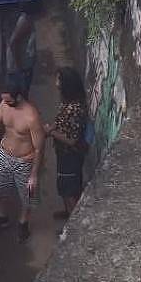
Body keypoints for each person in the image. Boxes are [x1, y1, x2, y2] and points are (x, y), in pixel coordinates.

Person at [0, 82, 46, 243]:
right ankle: (1, 216)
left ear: (18, 97)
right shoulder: (5, 104)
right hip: (4, 154)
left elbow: (39, 148)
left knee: (28, 195)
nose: (6, 103)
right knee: (1, 189)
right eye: (4, 100)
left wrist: (34, 174)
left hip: (24, 160)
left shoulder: (31, 116)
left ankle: (23, 222)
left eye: (9, 100)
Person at [45, 67, 88, 218]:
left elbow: (72, 140)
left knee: (68, 189)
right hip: (64, 154)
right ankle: (68, 212)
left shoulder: (74, 109)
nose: (56, 83)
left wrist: (51, 132)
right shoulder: (68, 102)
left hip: (70, 156)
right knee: (65, 185)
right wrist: (52, 129)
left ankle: (74, 220)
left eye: (58, 80)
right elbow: (61, 121)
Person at [7, 1, 38, 96]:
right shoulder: (25, 21)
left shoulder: (28, 19)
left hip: (24, 65)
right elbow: (13, 42)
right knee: (21, 96)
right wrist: (19, 66)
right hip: (21, 67)